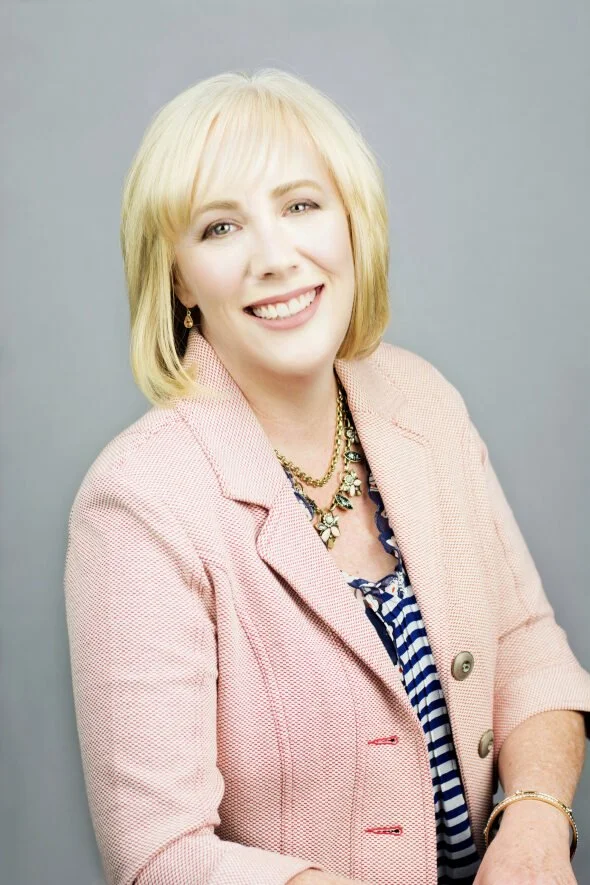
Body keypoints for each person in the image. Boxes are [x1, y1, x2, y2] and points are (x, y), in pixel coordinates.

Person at [63, 68, 590, 885]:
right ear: (176, 280)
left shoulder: (423, 400)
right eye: (219, 227)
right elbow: (159, 854)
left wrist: (534, 822)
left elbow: (526, 648)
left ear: (352, 224)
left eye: (302, 205)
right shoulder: (139, 501)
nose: (276, 257)